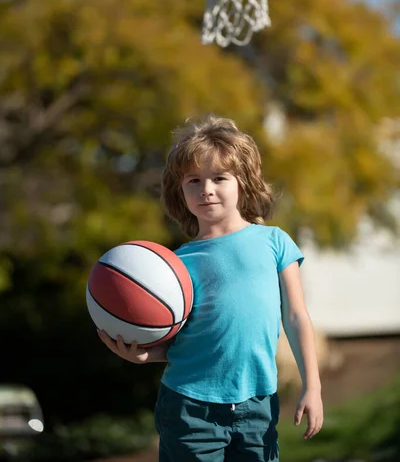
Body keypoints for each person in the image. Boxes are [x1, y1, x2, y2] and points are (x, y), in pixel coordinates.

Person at [98, 114, 324, 461]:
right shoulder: (174, 267)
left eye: (219, 178)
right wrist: (147, 354)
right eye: (193, 180)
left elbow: (295, 316)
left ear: (243, 182)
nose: (206, 189)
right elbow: (183, 340)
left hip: (258, 405)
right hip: (189, 408)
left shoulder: (274, 242)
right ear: (180, 190)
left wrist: (313, 385)